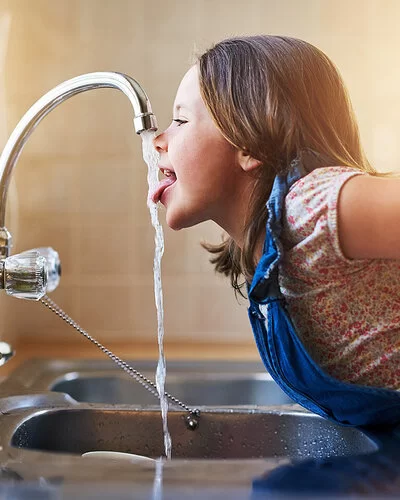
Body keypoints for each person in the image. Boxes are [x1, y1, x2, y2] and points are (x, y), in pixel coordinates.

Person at [151, 35, 400, 426]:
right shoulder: (272, 251)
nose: (158, 140)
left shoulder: (315, 207)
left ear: (249, 144)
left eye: (180, 120)